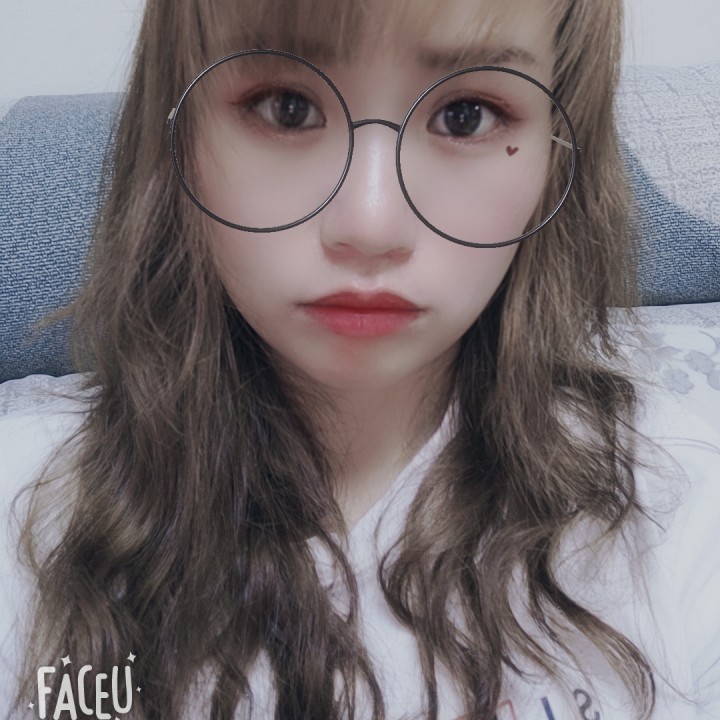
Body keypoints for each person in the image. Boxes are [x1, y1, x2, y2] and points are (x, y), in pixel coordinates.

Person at [1, 0, 719, 718]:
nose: (371, 224)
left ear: (556, 154)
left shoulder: (674, 502)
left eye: (466, 116)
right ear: (177, 134)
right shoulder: (27, 510)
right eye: (287, 108)